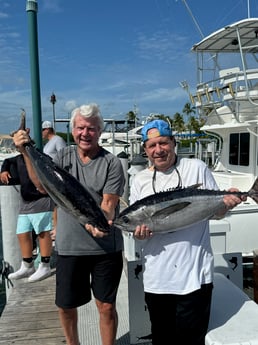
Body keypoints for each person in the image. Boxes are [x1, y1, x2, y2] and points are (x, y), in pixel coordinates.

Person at [12, 103, 125, 345]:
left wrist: (96, 221)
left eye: (92, 129)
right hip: (69, 246)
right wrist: (25, 151)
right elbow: (42, 185)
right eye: (81, 128)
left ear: (100, 132)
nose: (86, 133)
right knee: (65, 306)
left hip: (106, 248)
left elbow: (108, 204)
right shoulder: (61, 157)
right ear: (73, 130)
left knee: (105, 306)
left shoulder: (112, 163)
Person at [129, 119, 246, 345]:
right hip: (158, 279)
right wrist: (138, 233)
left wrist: (227, 203)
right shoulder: (139, 180)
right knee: (162, 339)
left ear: (173, 142)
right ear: (145, 149)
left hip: (195, 277)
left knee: (192, 341)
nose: (158, 150)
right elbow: (135, 227)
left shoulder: (196, 168)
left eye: (163, 143)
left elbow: (217, 212)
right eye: (151, 145)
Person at [0, 154, 55, 282]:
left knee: (42, 231)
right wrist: (4, 170)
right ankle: (27, 265)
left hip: (41, 198)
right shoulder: (18, 158)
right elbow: (7, 161)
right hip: (26, 200)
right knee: (22, 232)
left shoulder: (40, 156)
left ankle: (45, 265)